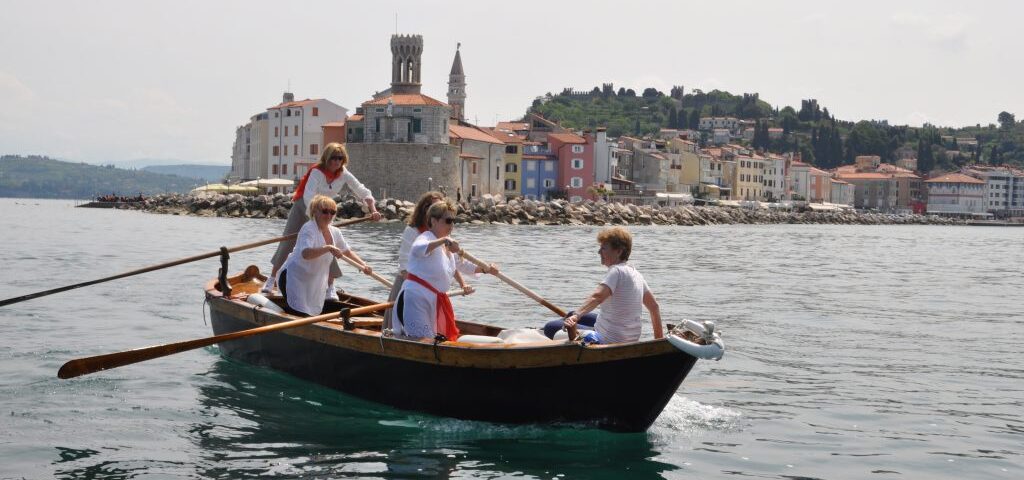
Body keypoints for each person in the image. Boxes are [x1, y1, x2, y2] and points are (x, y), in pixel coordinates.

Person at [263, 143, 381, 297]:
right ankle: (272, 279)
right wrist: (315, 219)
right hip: (304, 207)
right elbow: (308, 196)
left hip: (325, 211)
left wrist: (373, 210)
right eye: (333, 158)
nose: (336, 161)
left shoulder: (343, 173)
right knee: (288, 242)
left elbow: (361, 190)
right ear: (327, 158)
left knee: (330, 245)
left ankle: (330, 287)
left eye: (340, 158)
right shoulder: (317, 172)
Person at [394, 200, 498, 340]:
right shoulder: (425, 238)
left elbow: (464, 265)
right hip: (416, 298)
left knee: (433, 339)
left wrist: (486, 269)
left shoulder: (447, 246)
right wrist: (444, 241)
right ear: (434, 221)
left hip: (433, 299)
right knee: (423, 341)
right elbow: (418, 249)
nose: (452, 225)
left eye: (453, 221)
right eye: (448, 220)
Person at [542, 227, 663, 344]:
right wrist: (659, 341)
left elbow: (597, 297)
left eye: (604, 248)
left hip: (609, 338)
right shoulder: (636, 274)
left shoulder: (616, 271)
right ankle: (571, 320)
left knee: (550, 327)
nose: (599, 252)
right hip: (631, 337)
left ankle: (572, 326)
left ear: (619, 251)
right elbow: (654, 307)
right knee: (570, 313)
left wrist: (577, 316)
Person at [277, 195, 372, 317]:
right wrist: (328, 248)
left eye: (332, 212)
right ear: (315, 211)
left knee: (311, 314)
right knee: (300, 316)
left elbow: (347, 252)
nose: (329, 215)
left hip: (313, 283)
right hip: (293, 278)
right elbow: (306, 254)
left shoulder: (335, 232)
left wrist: (363, 265)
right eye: (325, 211)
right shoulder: (308, 229)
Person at [383, 190, 445, 331]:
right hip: (408, 288)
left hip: (428, 291)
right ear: (425, 209)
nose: (437, 212)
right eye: (434, 208)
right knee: (400, 330)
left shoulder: (441, 233)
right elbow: (404, 266)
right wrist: (422, 288)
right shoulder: (412, 231)